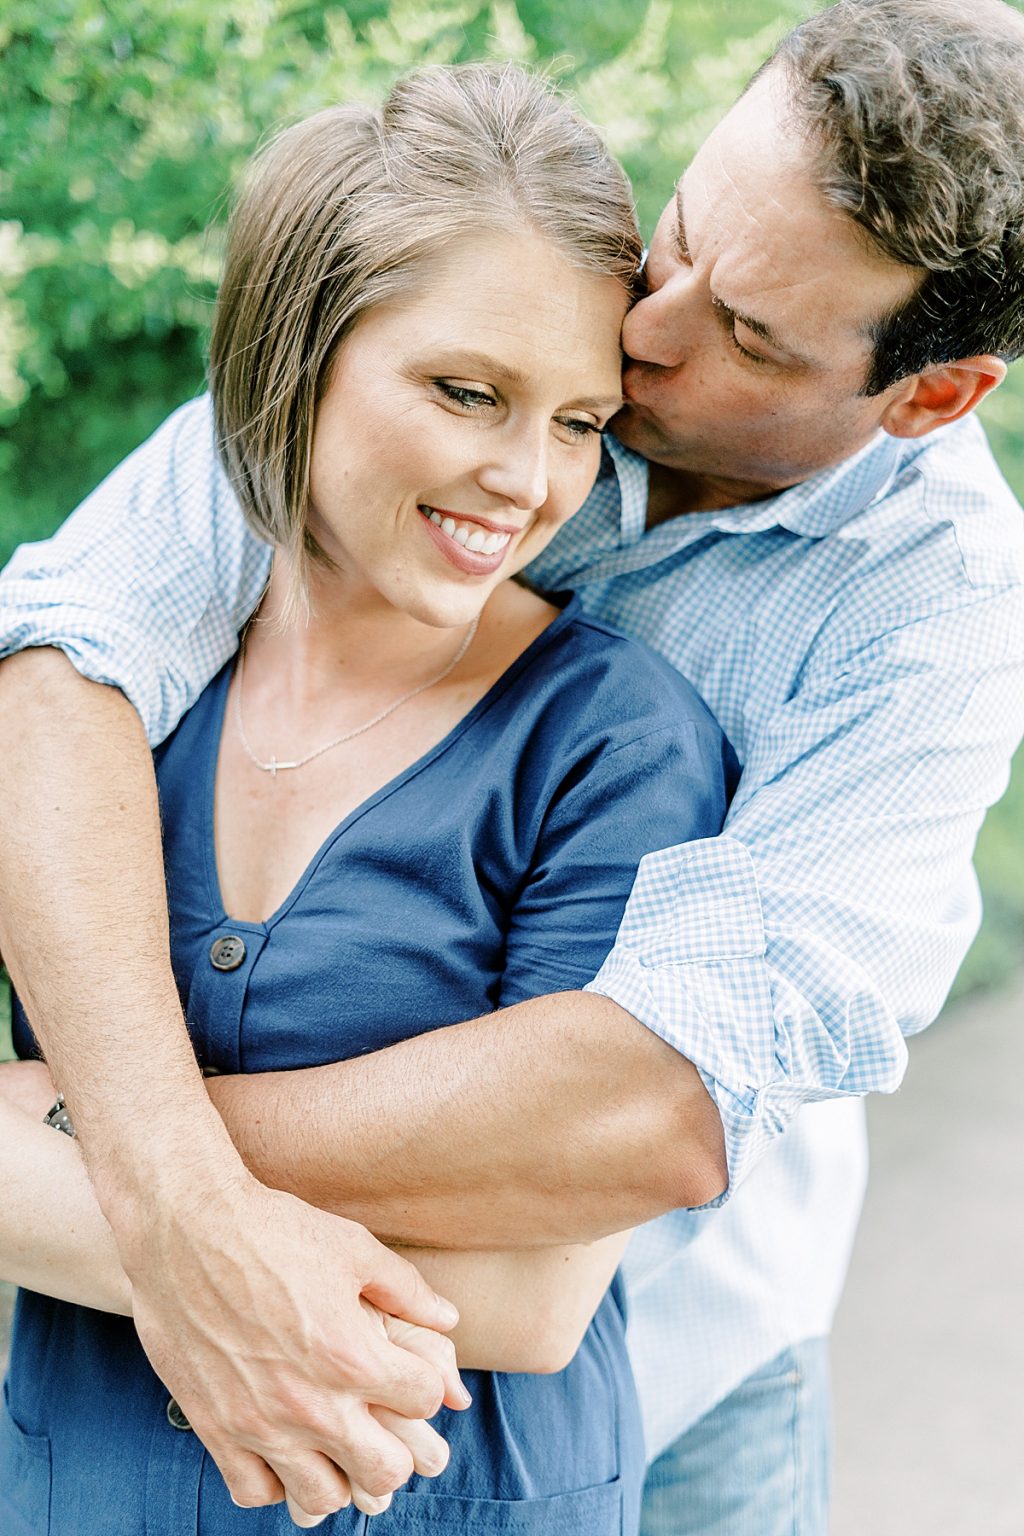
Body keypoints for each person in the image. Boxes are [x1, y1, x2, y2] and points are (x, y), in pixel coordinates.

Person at [2, 0, 1024, 1531]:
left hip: (672, 1364)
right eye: (681, 233)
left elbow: (655, 1096)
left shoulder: (931, 621)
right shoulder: (497, 308)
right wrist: (183, 1213)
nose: (649, 330)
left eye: (747, 334)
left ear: (928, 397)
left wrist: (94, 1150)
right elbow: (61, 672)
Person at [0, 61, 733, 1536]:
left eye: (581, 420)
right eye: (469, 392)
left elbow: (532, 1293)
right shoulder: (98, 703)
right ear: (297, 350)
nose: (527, 480)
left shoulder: (613, 742)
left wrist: (77, 1144)